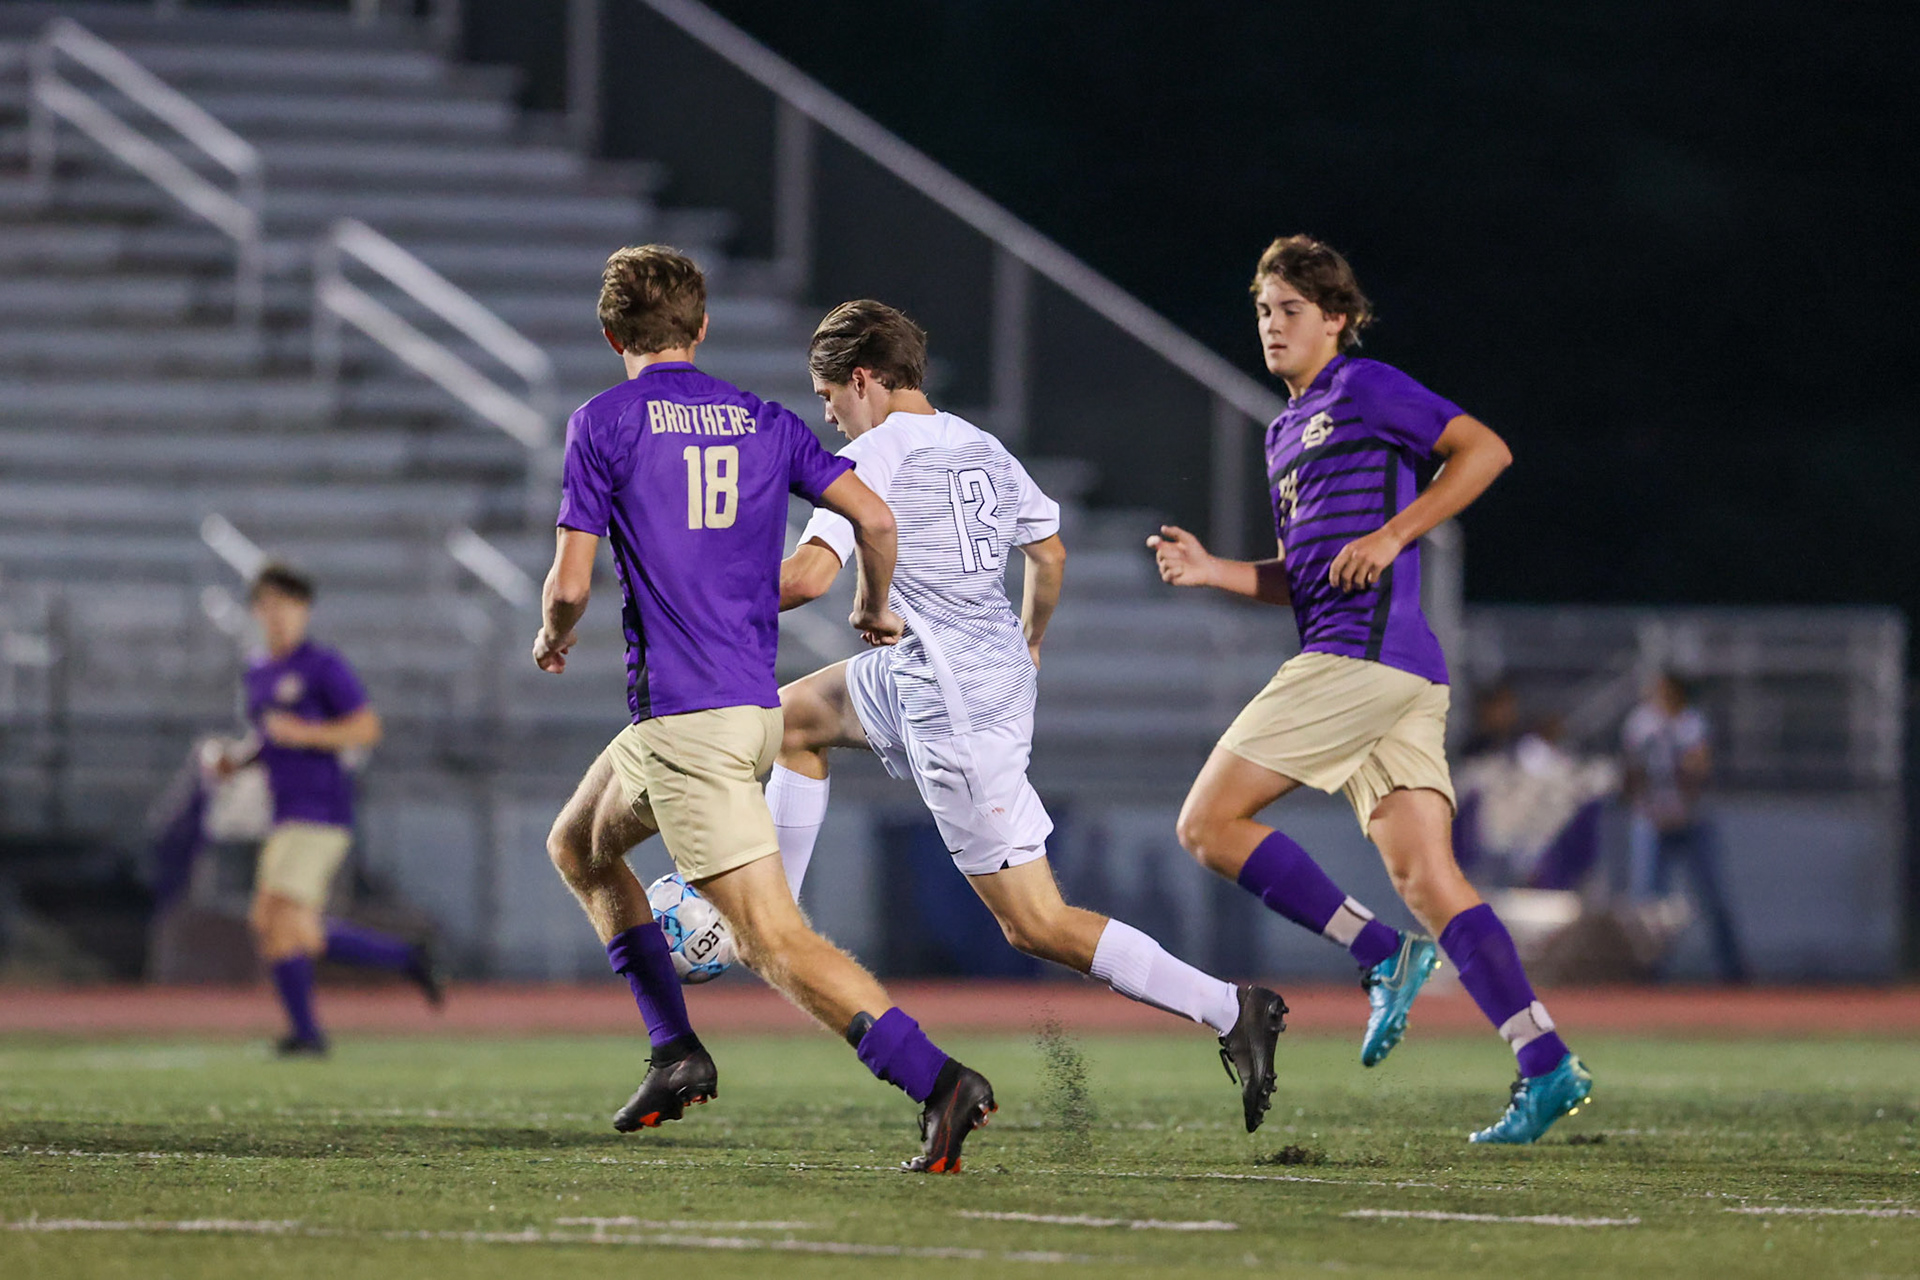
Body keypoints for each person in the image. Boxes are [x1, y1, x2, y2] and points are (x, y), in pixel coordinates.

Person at [772, 300, 1288, 1133]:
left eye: (829, 394)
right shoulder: (983, 446)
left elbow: (803, 580)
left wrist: (699, 587)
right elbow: (1046, 552)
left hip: (955, 706)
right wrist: (1031, 638)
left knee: (1035, 924)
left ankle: (1232, 1009)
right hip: (956, 673)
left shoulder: (869, 455)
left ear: (862, 378)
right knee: (794, 717)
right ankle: (775, 923)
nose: (827, 413)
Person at [538, 246, 995, 1173]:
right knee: (579, 846)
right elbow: (875, 518)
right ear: (701, 329)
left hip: (688, 722)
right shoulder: (763, 420)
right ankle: (676, 1052)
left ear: (611, 333)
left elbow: (571, 581)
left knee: (771, 941)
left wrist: (552, 634)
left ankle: (940, 1081)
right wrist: (872, 606)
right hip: (737, 711)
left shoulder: (603, 422)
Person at [1148, 235, 1592, 1144]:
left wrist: (1395, 536)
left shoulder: (1366, 386)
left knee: (1207, 824)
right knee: (1428, 876)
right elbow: (1302, 574)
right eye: (1264, 311)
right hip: (1393, 672)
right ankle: (1544, 1062)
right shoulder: (1282, 433)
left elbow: (1485, 451)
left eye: (1292, 311)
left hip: (1361, 657)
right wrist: (1212, 571)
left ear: (1337, 320)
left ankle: (1378, 953)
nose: (1272, 326)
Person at [212, 564, 441, 1057]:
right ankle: (402, 959)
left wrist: (306, 734)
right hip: (284, 813)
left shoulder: (322, 666)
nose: (278, 616)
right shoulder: (256, 671)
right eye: (269, 606)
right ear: (257, 612)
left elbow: (366, 728)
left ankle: (308, 1033)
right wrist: (239, 760)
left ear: (304, 611)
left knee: (281, 917)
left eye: (288, 606)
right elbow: (268, 736)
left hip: (321, 811)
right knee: (278, 924)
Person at [1622, 673, 1747, 982]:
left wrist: (1685, 781)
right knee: (1647, 903)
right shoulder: (1640, 723)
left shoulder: (1691, 721)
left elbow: (1699, 765)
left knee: (1712, 897)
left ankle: (1732, 971)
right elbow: (1631, 771)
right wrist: (1645, 799)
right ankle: (1647, 972)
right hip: (1651, 822)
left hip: (1691, 821)